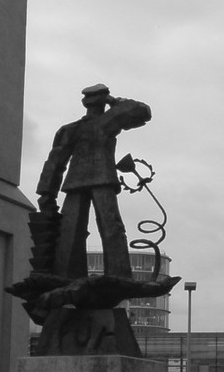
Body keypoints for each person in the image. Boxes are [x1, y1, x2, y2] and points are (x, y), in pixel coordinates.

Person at [36, 83, 151, 280]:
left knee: (76, 230)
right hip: (99, 180)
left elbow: (54, 163)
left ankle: (71, 274)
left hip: (82, 182)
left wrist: (47, 193)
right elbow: (141, 111)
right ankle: (117, 273)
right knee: (105, 227)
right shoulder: (106, 121)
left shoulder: (77, 128)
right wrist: (115, 101)